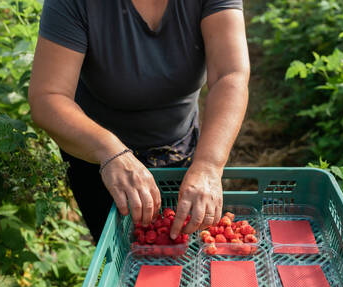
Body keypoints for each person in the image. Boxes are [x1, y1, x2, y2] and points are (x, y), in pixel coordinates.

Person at [28, 0, 250, 243]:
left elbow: (230, 74)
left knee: (185, 248)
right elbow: (48, 97)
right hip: (98, 157)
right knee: (124, 255)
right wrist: (110, 152)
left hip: (182, 147)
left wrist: (208, 164)